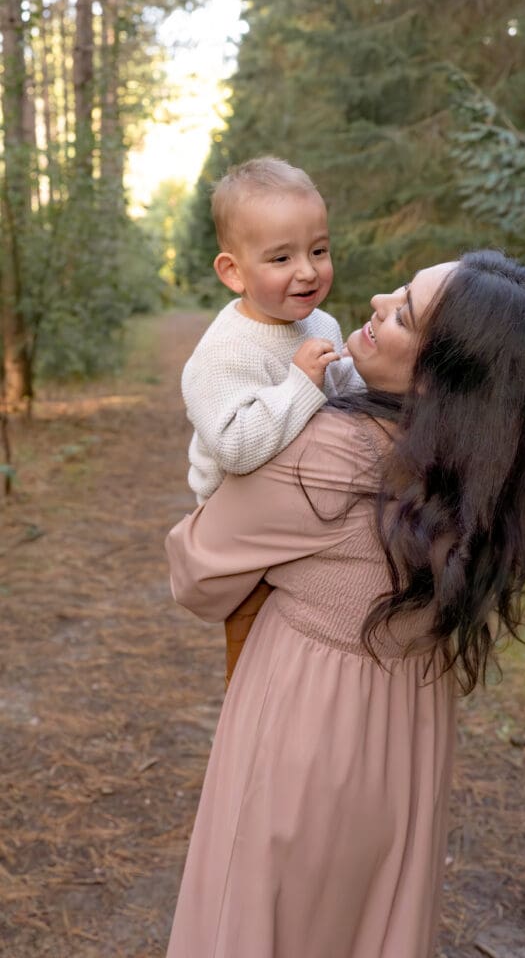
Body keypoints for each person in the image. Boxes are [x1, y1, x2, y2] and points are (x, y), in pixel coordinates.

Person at [165, 250, 525, 958]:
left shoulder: (328, 452)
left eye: (404, 313)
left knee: (263, 916)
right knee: (367, 922)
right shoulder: (493, 475)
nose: (378, 300)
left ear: (441, 375)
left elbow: (197, 572)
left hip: (306, 728)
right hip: (409, 728)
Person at [180, 156, 363, 679]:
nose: (307, 270)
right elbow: (235, 450)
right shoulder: (222, 354)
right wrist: (300, 384)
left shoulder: (318, 322)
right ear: (233, 271)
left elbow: (348, 394)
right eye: (281, 258)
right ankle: (256, 744)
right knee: (257, 664)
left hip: (303, 521)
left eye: (318, 250)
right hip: (244, 543)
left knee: (309, 657)